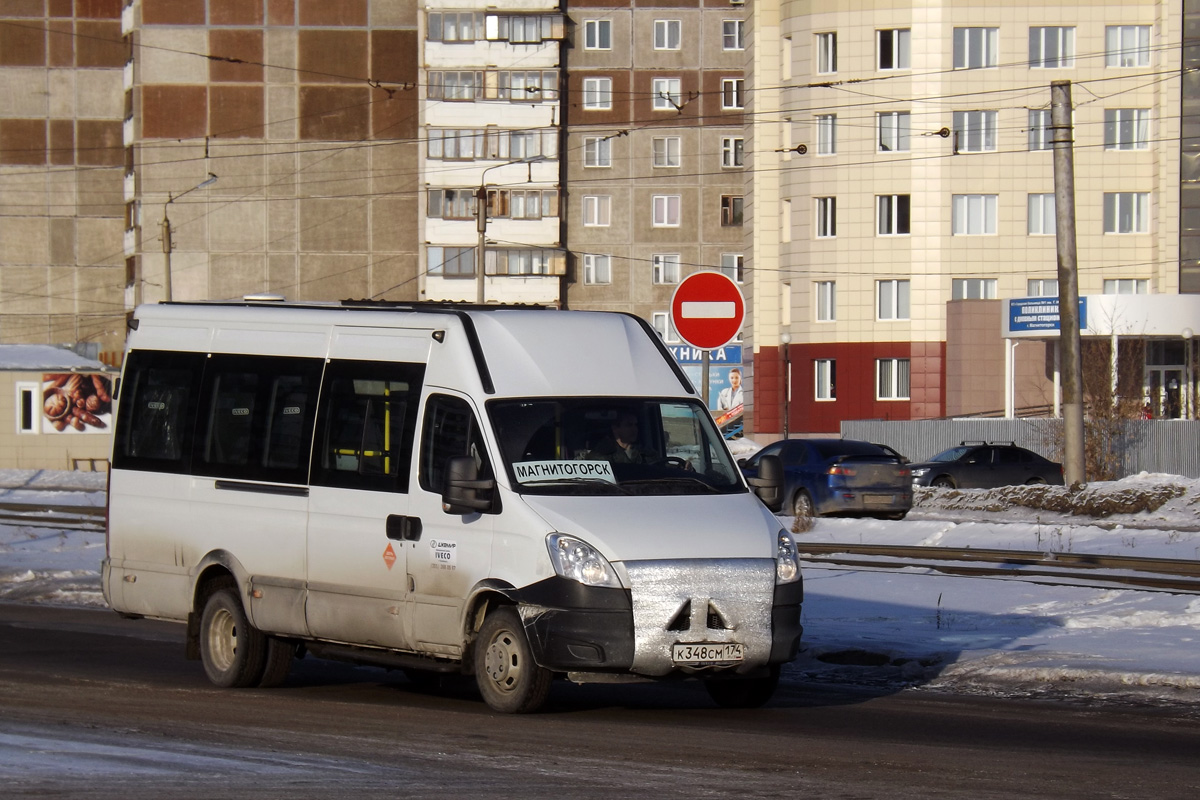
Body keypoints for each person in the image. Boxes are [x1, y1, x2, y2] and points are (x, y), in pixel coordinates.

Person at [588, 410, 657, 464]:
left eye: (635, 425)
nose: (634, 429)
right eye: (629, 425)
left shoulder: (645, 453)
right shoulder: (601, 455)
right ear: (615, 429)